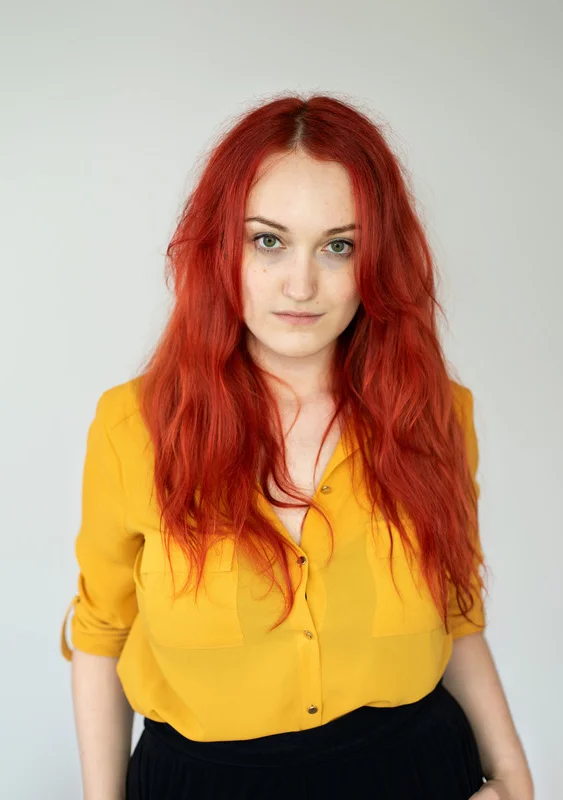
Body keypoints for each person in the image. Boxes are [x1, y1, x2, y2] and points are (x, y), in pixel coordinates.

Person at [60, 93, 534, 800]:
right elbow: (100, 633)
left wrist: (516, 781)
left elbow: (457, 613)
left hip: (414, 773)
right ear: (220, 246)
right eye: (268, 240)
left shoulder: (433, 416)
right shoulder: (133, 427)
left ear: (377, 262)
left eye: (338, 246)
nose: (301, 284)